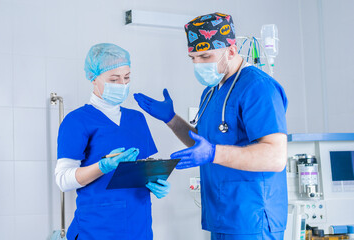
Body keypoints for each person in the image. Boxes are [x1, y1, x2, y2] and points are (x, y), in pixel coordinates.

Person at [134, 13, 288, 240]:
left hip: (253, 217)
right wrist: (172, 119)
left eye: (205, 56)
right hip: (221, 214)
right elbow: (203, 143)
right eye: (193, 58)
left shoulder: (258, 88)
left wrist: (214, 153)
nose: (198, 64)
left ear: (232, 51)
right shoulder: (211, 91)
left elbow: (275, 157)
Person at [55, 43, 171, 240]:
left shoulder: (137, 119)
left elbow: (146, 168)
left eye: (126, 78)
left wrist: (157, 181)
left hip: (138, 226)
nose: (122, 85)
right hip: (97, 228)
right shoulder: (77, 121)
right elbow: (63, 180)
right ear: (93, 78)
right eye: (114, 79)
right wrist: (103, 166)